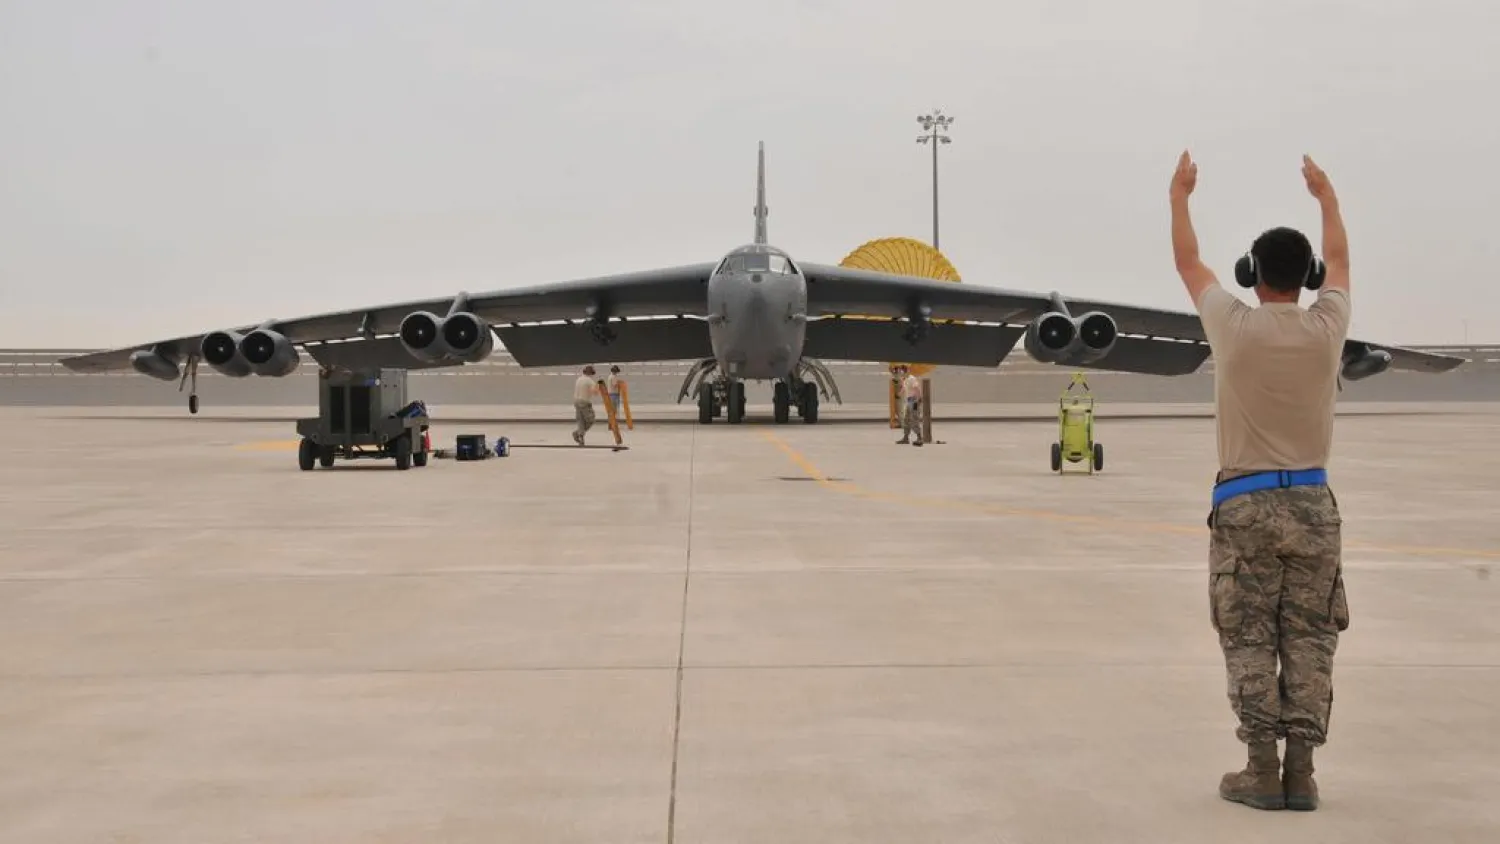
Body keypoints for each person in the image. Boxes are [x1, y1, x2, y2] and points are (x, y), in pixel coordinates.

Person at [1170, 151, 1352, 812]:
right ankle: (1301, 772)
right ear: (1307, 277)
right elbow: (1342, 261)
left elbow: (1189, 264)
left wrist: (1180, 197)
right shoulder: (1327, 327)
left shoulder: (1235, 328)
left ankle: (1259, 769)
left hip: (1244, 504)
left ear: (1252, 275)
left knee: (1249, 635)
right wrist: (1327, 198)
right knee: (1309, 635)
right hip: (1312, 504)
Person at [897, 365, 924, 446]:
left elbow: (917, 388)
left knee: (914, 419)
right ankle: (906, 438)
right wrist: (899, 394)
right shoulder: (905, 380)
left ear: (905, 371)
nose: (901, 374)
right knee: (906, 420)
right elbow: (904, 389)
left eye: (901, 373)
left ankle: (919, 438)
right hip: (909, 401)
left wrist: (919, 399)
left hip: (914, 401)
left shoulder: (911, 378)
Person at [572, 365, 597, 445]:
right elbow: (595, 393)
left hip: (576, 401)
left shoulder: (578, 379)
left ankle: (581, 437)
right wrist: (599, 388)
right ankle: (577, 433)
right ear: (591, 373)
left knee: (581, 421)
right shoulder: (590, 381)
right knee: (591, 420)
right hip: (584, 402)